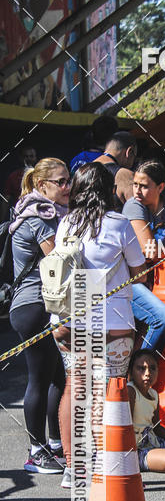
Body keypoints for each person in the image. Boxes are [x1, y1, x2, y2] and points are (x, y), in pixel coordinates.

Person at [52, 162, 147, 488]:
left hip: (69, 320)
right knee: (110, 390)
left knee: (75, 387)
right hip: (113, 320)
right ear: (108, 190)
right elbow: (139, 272)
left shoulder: (66, 223)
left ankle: (73, 468)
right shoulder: (119, 224)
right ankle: (107, 464)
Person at [8, 158, 68, 473]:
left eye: (69, 180)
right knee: (40, 378)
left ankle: (55, 443)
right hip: (33, 307)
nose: (67, 187)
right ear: (42, 185)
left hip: (42, 306)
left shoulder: (46, 212)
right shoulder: (39, 216)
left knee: (57, 376)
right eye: (61, 182)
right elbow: (59, 261)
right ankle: (36, 452)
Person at [122, 160, 165, 355]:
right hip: (130, 281)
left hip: (163, 279)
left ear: (161, 187)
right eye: (135, 184)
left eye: (144, 186)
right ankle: (142, 365)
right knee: (162, 318)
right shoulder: (134, 206)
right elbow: (150, 251)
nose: (137, 191)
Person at [94, 130, 137, 210]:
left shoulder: (82, 171)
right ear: (129, 152)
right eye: (134, 156)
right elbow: (137, 211)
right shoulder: (125, 175)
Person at [2, 146, 37, 218]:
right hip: (20, 215)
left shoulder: (43, 175)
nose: (29, 159)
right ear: (21, 158)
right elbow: (5, 200)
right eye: (26, 156)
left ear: (35, 158)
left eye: (31, 156)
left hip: (39, 213)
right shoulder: (13, 176)